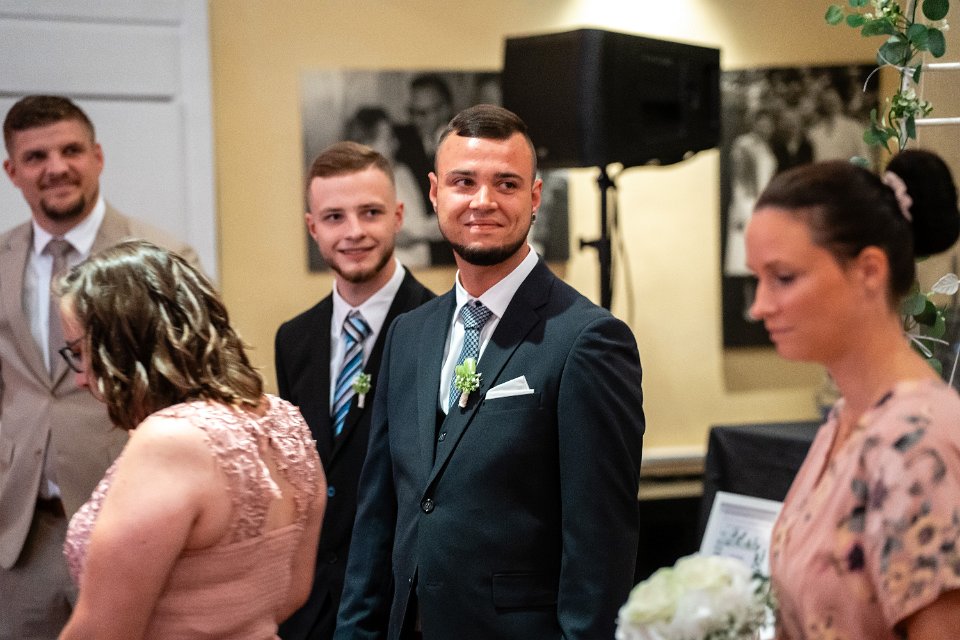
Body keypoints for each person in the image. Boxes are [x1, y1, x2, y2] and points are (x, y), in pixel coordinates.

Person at [335, 104, 645, 640]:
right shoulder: (408, 335)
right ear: (435, 194)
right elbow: (378, 516)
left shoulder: (588, 340)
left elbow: (601, 546)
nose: (483, 201)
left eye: (506, 183)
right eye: (464, 182)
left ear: (534, 197)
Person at [0, 95, 200, 639]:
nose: (57, 167)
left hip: (129, 520)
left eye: (71, 150)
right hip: (21, 536)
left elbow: (190, 392)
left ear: (98, 157)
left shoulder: (161, 255)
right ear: (12, 171)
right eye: (36, 157)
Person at [56, 240, 326, 638]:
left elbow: (102, 631)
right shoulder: (286, 420)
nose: (80, 378)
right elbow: (292, 592)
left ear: (124, 344)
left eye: (80, 352)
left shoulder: (169, 440)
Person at [745, 150, 960, 639]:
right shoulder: (845, 420)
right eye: (758, 279)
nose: (760, 306)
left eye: (783, 278)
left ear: (869, 271)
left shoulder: (920, 444)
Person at [276, 141, 434, 640]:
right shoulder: (294, 339)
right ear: (312, 227)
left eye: (370, 212)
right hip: (311, 607)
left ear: (398, 216)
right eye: (334, 217)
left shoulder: (441, 326)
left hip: (402, 609)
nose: (354, 232)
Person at [344, 108, 443, 268]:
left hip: (422, 269)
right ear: (367, 145)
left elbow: (414, 225)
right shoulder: (353, 186)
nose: (396, 144)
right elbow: (393, 236)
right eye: (388, 138)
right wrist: (439, 227)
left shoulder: (402, 172)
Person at [394, 74, 455, 265]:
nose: (417, 120)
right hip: (420, 257)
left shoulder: (465, 141)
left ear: (445, 109)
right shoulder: (400, 142)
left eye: (423, 113)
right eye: (412, 112)